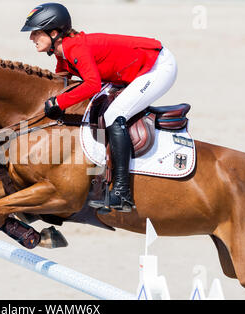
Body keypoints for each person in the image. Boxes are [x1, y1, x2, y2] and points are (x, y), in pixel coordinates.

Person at [20, 3, 178, 213]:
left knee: (114, 114)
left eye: (36, 33)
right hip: (134, 69)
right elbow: (60, 83)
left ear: (55, 32)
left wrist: (59, 103)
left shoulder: (75, 48)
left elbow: (92, 84)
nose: (32, 38)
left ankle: (122, 193)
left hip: (157, 66)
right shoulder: (62, 52)